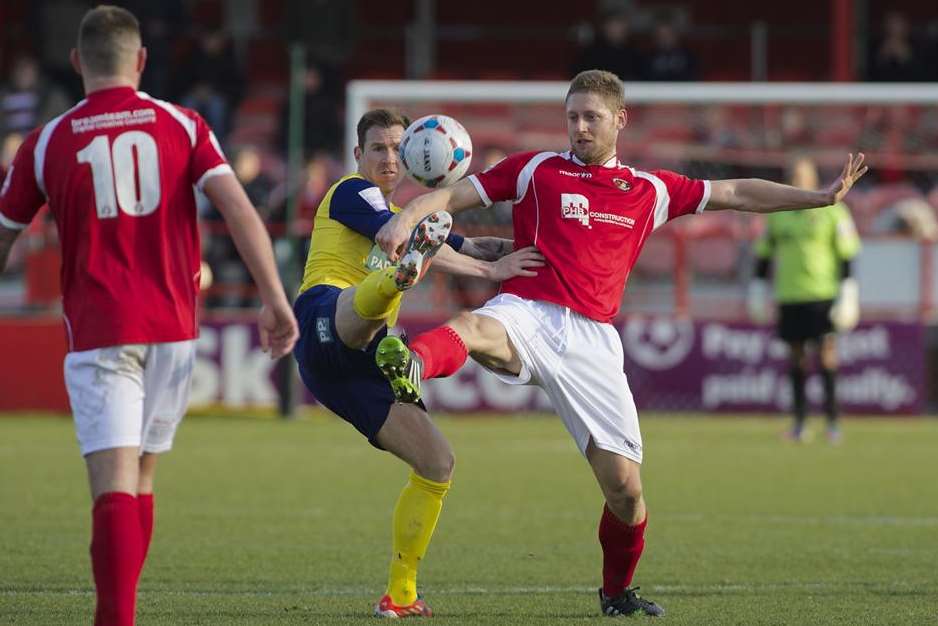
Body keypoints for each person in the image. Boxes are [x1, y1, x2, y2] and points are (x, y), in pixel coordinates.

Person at [371, 70, 867, 618]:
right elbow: (454, 195)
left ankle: (616, 593)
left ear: (619, 120)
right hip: (528, 312)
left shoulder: (649, 190)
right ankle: (411, 361)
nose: (579, 128)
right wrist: (408, 217)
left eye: (591, 118)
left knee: (627, 492)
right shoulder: (535, 169)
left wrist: (817, 198)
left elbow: (735, 193)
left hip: (593, 343)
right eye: (572, 117)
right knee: (475, 326)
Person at [0, 6, 299, 625]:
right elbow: (240, 209)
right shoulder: (183, 124)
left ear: (80, 62)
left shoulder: (49, 139)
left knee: (113, 483)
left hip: (102, 330)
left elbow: (4, 232)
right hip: (174, 329)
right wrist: (273, 298)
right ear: (140, 60)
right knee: (141, 479)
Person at [291, 108, 543, 618]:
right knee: (373, 286)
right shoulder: (349, 193)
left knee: (437, 462)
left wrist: (518, 250)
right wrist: (487, 268)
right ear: (358, 155)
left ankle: (400, 594)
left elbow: (463, 241)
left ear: (410, 156)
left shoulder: (409, 215)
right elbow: (400, 232)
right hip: (324, 320)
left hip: (358, 363)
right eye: (377, 148)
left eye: (395, 149)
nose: (387, 157)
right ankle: (398, 279)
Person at [748, 156, 861, 444]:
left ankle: (833, 422)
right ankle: (800, 423)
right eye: (794, 174)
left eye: (803, 174)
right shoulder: (777, 214)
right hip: (789, 295)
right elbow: (763, 254)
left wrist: (847, 293)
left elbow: (847, 253)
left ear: (813, 178)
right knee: (796, 359)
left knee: (826, 356)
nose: (798, 179)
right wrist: (759, 289)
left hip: (822, 295)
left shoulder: (834, 211)